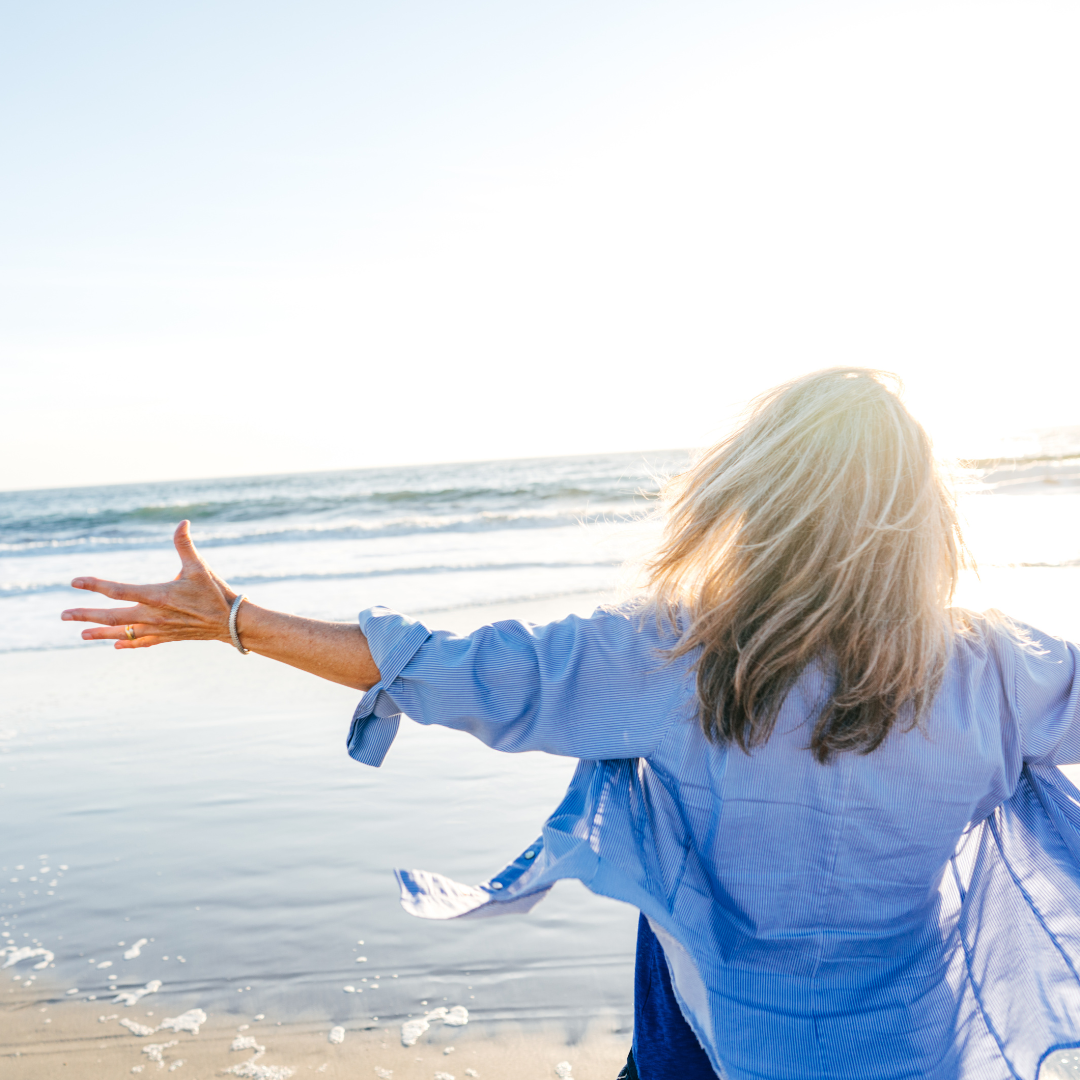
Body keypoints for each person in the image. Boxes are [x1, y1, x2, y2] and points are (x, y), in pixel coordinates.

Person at [61, 368, 1080, 1080]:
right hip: (913, 1051)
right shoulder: (1000, 669)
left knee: (655, 860)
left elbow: (450, 673)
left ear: (754, 497)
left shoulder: (667, 657)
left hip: (722, 1046)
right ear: (927, 514)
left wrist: (236, 620)